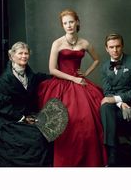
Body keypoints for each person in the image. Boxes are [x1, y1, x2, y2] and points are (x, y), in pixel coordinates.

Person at [37, 9, 107, 167]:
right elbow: (52, 70)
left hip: (80, 82)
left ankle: (90, 160)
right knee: (68, 122)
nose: (68, 25)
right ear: (62, 26)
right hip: (62, 82)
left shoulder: (85, 43)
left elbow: (97, 59)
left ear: (77, 22)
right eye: (65, 23)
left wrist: (85, 73)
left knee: (90, 120)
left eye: (71, 22)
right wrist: (73, 78)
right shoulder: (57, 43)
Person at [0, 41, 53, 166]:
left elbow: (37, 77)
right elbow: (4, 107)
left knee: (45, 131)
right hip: (5, 116)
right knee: (33, 137)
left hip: (23, 111)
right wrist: (23, 118)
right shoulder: (4, 79)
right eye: (20, 53)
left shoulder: (28, 72)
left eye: (26, 53)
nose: (24, 56)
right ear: (12, 56)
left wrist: (58, 77)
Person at [100, 33, 131, 166]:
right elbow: (107, 92)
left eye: (118, 46)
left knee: (107, 108)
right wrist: (119, 102)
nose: (115, 50)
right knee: (105, 107)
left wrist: (118, 99)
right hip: (117, 106)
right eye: (111, 47)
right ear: (106, 48)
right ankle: (112, 152)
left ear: (122, 46)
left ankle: (114, 152)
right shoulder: (105, 67)